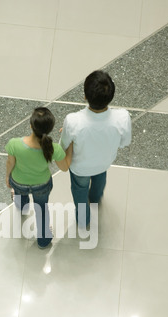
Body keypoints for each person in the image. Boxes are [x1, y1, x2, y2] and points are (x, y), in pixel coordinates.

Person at [60, 70, 131, 228]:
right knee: (100, 179)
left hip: (80, 168)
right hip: (104, 161)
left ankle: (83, 220)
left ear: (85, 96)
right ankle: (96, 199)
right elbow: (125, 142)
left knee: (80, 191)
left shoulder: (73, 121)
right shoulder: (123, 117)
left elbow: (63, 145)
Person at [5, 107, 72, 249]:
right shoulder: (53, 148)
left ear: (31, 125)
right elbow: (65, 168)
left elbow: (10, 163)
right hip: (41, 185)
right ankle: (43, 240)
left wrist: (7, 177)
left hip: (18, 182)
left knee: (19, 194)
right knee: (42, 210)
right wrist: (70, 147)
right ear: (50, 128)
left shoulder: (14, 143)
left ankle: (22, 207)